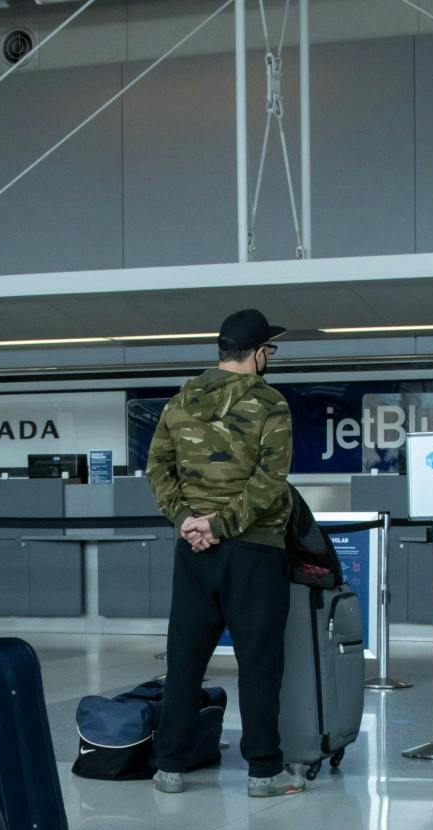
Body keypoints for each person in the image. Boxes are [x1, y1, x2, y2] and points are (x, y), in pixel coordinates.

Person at [145, 308, 304, 798]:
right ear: (256, 353)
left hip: (194, 552)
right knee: (258, 662)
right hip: (255, 551)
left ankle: (169, 767)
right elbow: (270, 481)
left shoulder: (180, 401)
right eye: (268, 349)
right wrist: (220, 524)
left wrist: (186, 522)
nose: (269, 357)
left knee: (185, 658)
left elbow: (157, 468)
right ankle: (263, 772)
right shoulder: (270, 403)